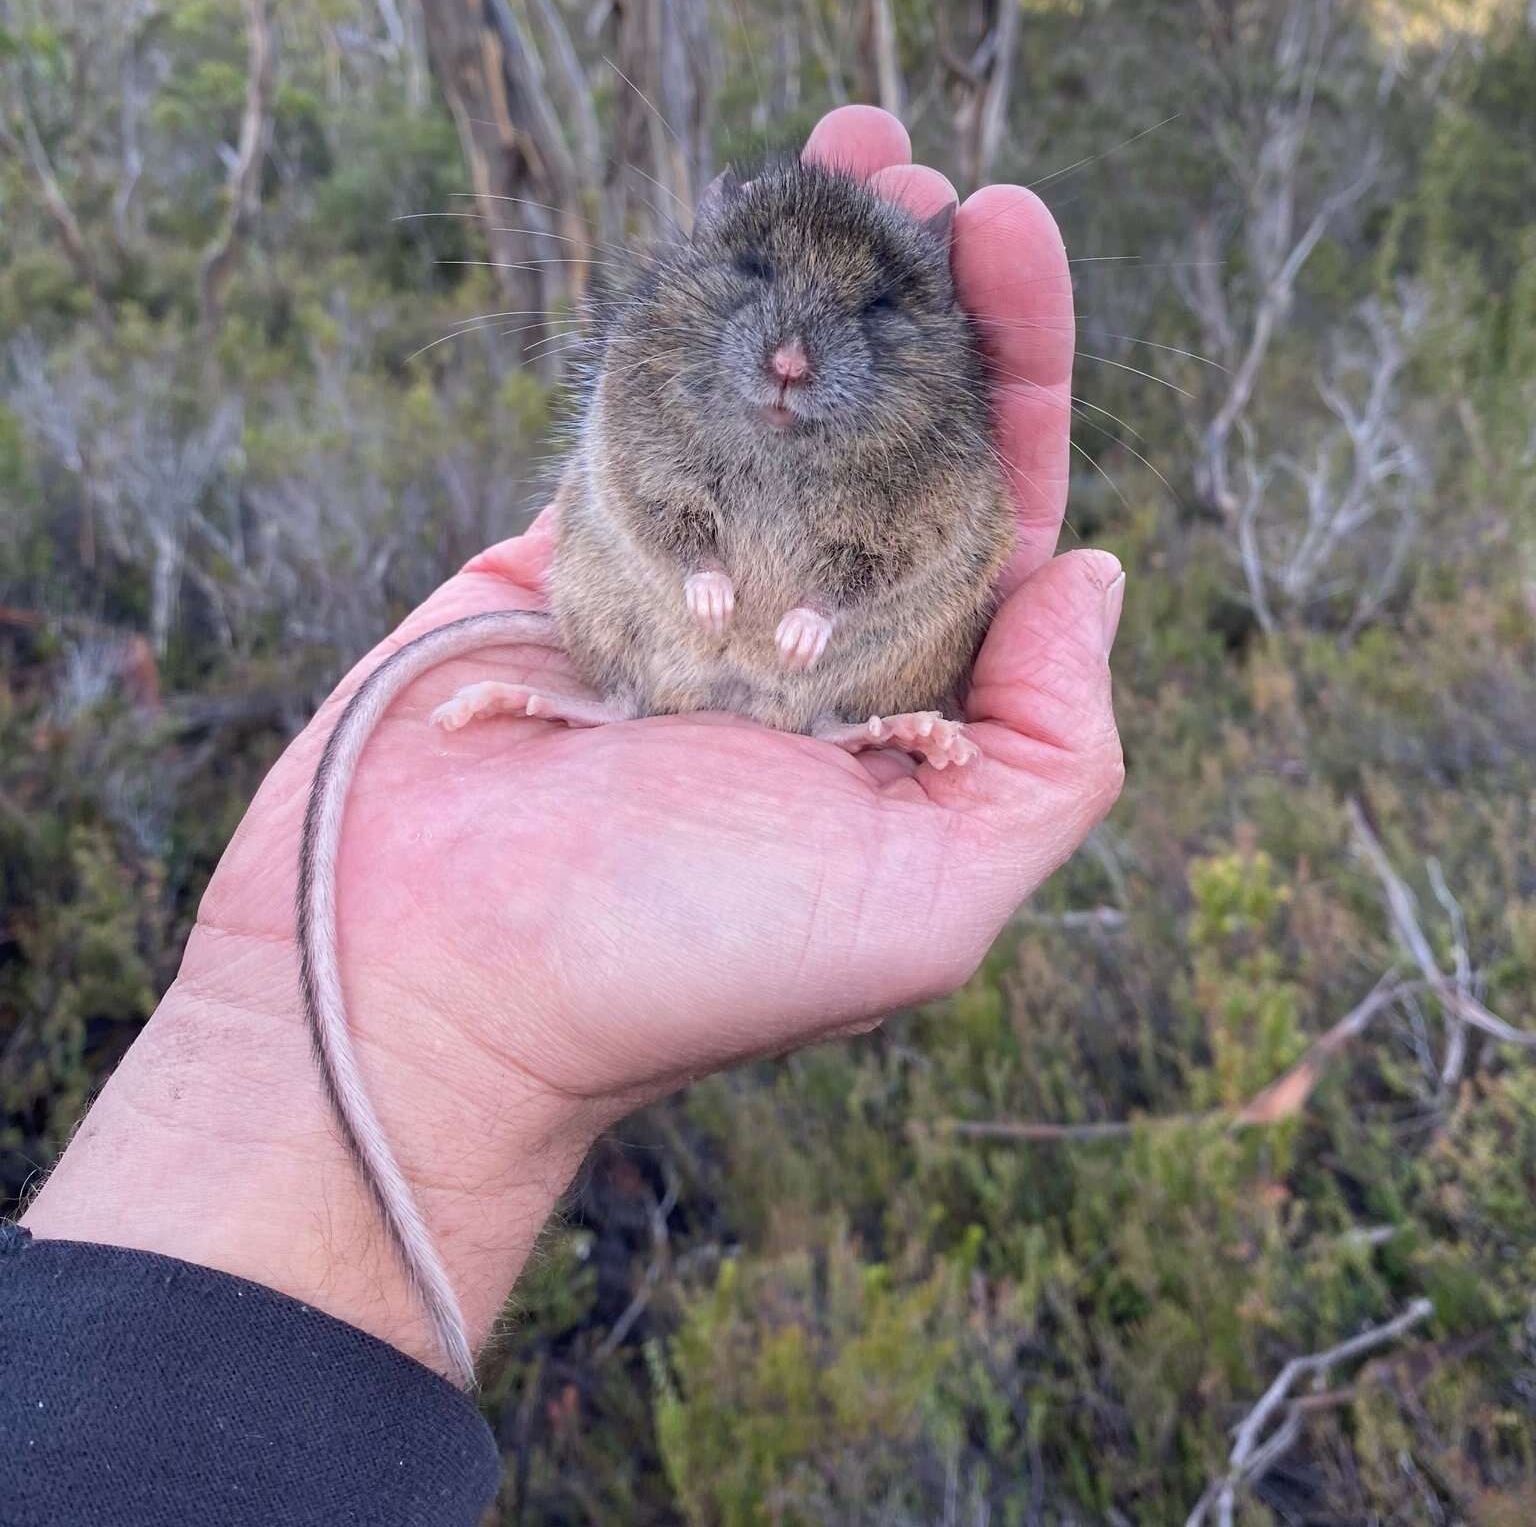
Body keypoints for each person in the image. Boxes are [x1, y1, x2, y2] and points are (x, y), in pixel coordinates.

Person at [0, 106, 1125, 1527]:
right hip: (655, 629)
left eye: (866, 320)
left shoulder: (937, 449)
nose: (789, 357)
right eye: (757, 301)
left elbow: (921, 549)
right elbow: (635, 487)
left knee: (932, 604)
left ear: (939, 337)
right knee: (629, 532)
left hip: (835, 668)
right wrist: (697, 562)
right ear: (707, 271)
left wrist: (837, 604)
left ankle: (832, 710)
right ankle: (633, 689)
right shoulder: (661, 372)